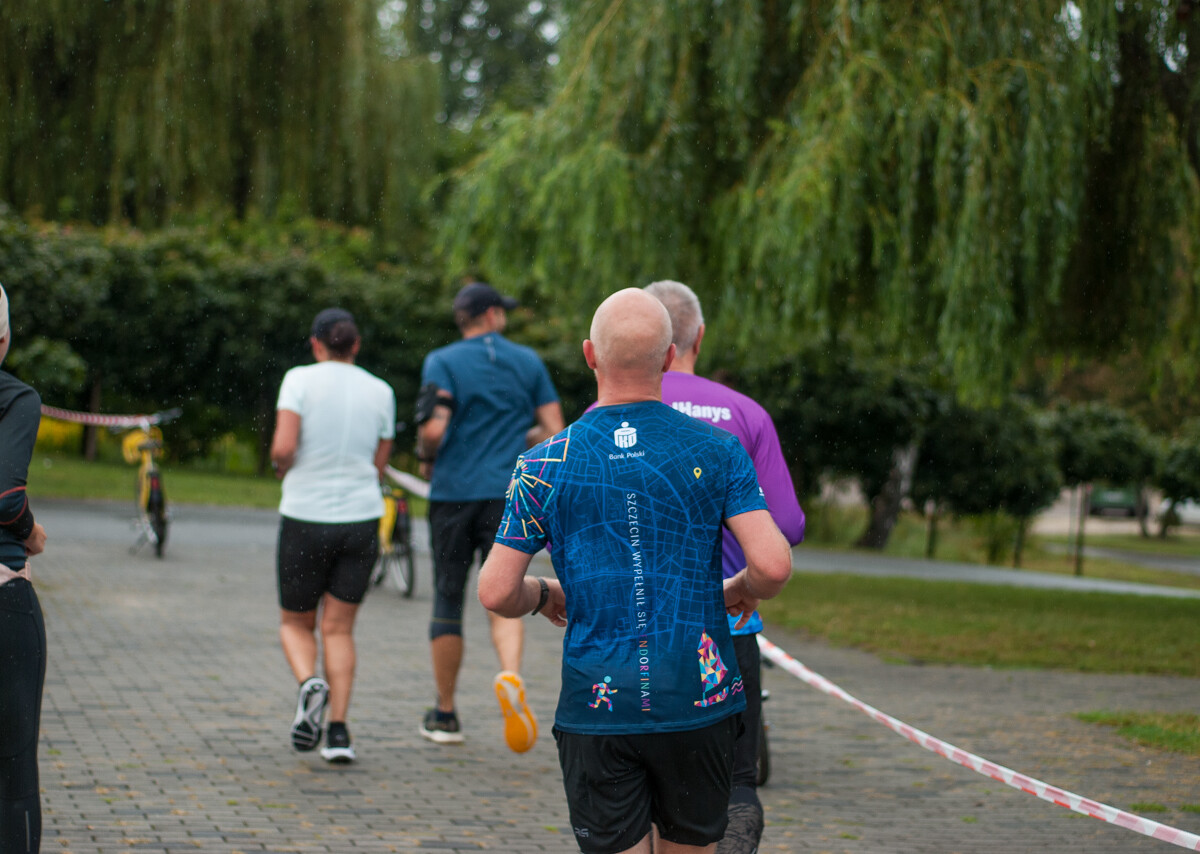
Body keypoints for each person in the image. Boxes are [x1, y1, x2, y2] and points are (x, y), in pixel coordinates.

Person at [477, 288, 794, 854]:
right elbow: (772, 564)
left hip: (597, 703)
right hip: (696, 698)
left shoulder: (543, 463)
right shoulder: (719, 450)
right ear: (670, 359)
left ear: (589, 356)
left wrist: (546, 593)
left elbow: (497, 592)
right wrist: (740, 589)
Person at [644, 280, 806, 853]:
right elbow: (785, 526)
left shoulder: (604, 414)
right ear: (697, 337)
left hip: (637, 631)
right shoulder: (745, 413)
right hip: (728, 628)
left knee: (639, 784)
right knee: (734, 783)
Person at [415, 281, 564, 751]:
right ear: (493, 315)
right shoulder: (528, 361)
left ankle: (444, 713)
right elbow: (556, 431)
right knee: (506, 593)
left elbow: (434, 431)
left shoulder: (442, 361)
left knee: (448, 596)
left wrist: (424, 449)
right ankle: (510, 675)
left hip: (453, 492)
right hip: (509, 493)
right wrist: (516, 437)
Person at [270, 307, 396, 764]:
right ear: (356, 346)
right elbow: (380, 462)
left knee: (295, 622)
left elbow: (285, 446)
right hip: (361, 519)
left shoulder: (299, 380)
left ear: (316, 344)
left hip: (305, 515)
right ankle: (339, 733)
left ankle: (309, 684)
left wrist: (279, 465)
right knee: (339, 629)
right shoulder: (381, 390)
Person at [0, 283, 50, 853]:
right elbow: (6, 498)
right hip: (3, 597)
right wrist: (29, 531)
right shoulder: (14, 398)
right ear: (4, 336)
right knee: (13, 773)